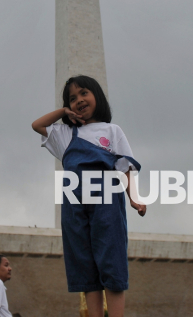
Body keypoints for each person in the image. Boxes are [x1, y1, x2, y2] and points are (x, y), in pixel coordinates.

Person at [31, 75, 146, 317]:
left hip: (106, 199)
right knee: (84, 261)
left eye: (84, 93)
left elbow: (125, 167)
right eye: (72, 99)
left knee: (110, 257)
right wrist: (62, 111)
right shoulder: (65, 134)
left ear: (97, 96)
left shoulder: (112, 131)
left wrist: (134, 198)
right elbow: (37, 125)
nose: (79, 100)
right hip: (73, 202)